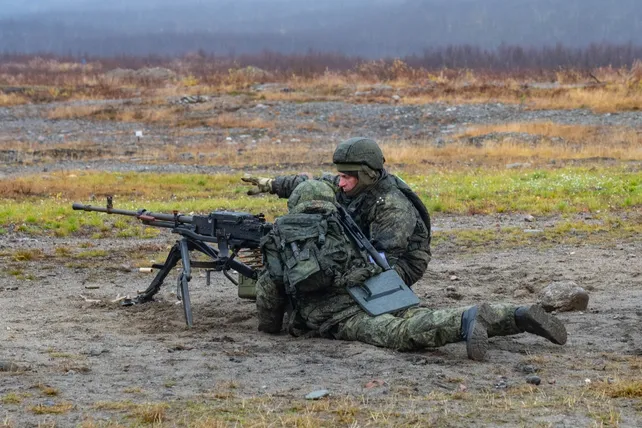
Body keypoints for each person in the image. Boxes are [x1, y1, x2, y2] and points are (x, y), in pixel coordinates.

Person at [256, 180, 567, 360]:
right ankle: (516, 315)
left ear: (294, 204)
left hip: (338, 315)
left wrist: (269, 326)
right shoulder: (343, 222)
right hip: (374, 289)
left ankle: (465, 321)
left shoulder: (282, 237)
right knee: (419, 314)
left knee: (399, 334)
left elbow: (270, 292)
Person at [242, 137, 431, 287]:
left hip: (401, 262)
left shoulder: (392, 205)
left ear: (366, 175)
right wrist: (273, 184)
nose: (340, 183)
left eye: (346, 177)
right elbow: (314, 185)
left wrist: (338, 276)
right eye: (340, 176)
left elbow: (382, 259)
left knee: (335, 286)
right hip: (362, 246)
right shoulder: (353, 185)